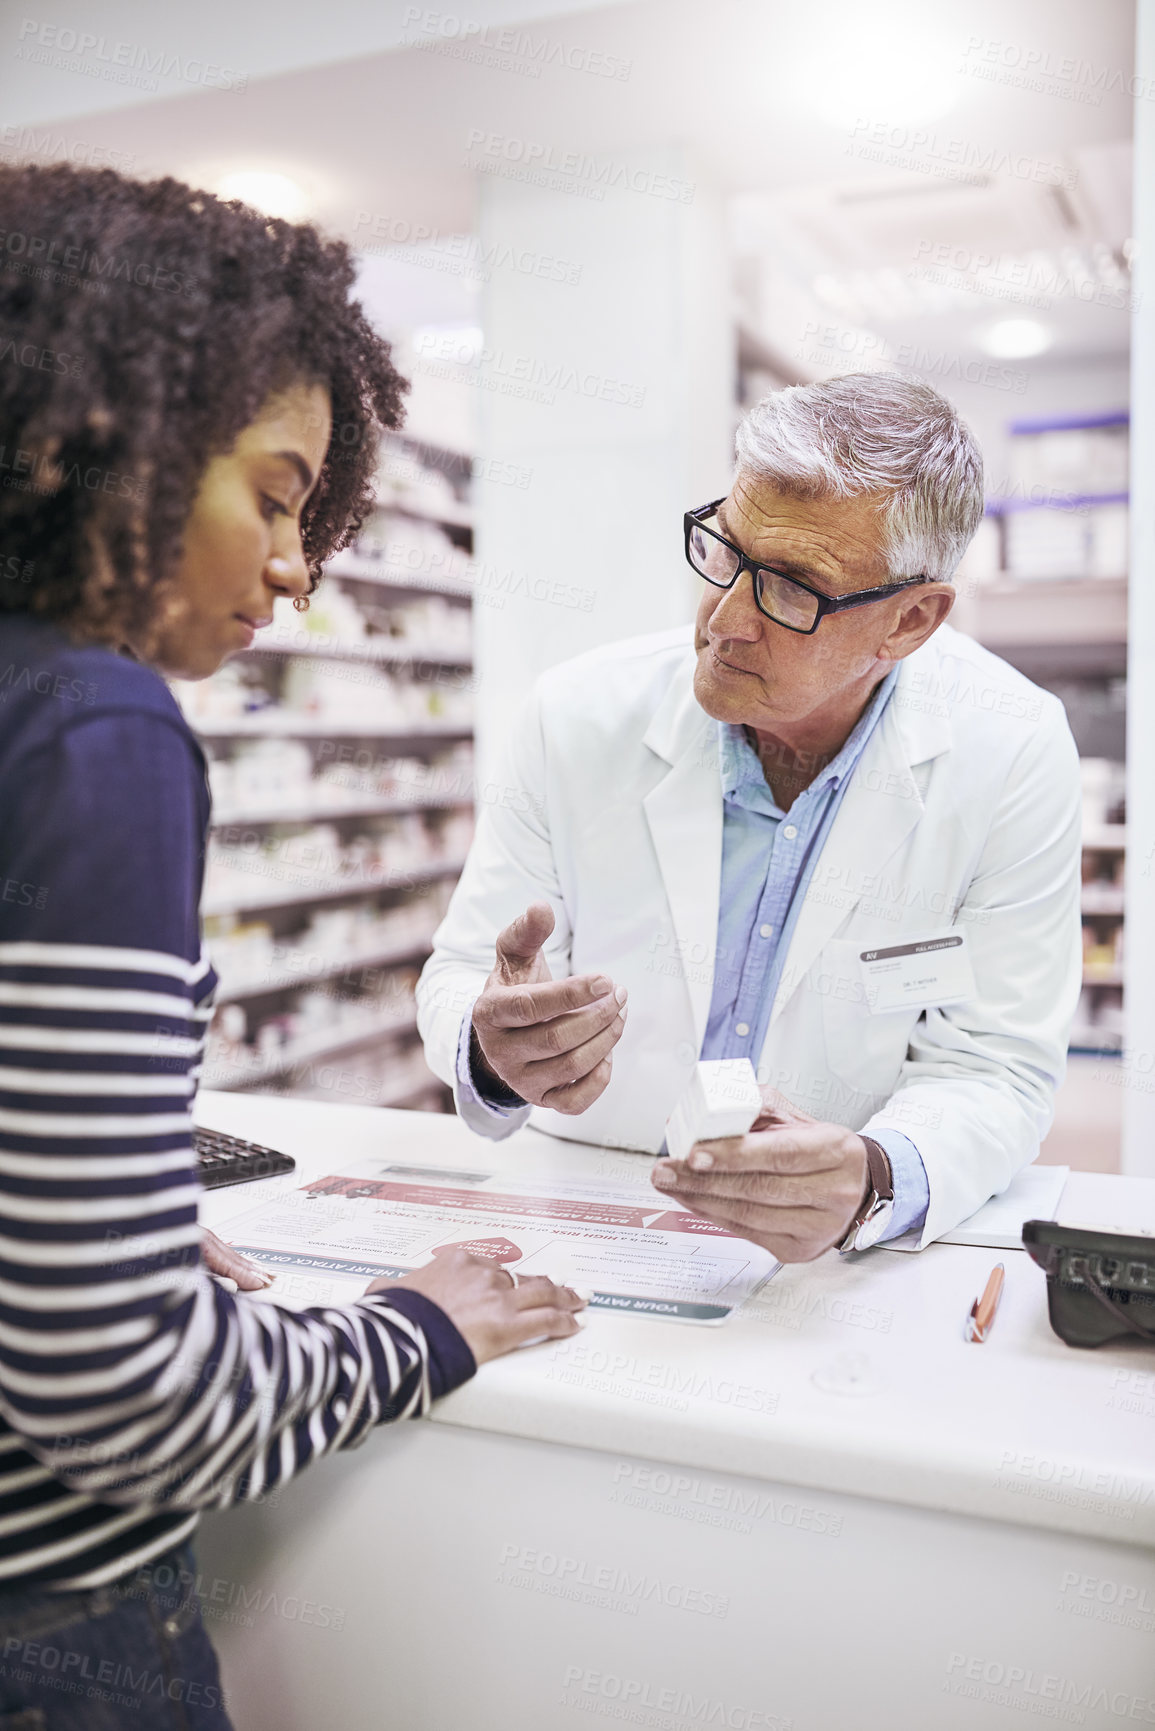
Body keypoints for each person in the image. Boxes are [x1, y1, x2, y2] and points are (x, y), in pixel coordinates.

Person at [0, 162, 584, 1729]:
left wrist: (79, 1227)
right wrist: (422, 1326)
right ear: (77, 433)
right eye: (270, 491)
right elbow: (129, 1406)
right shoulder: (93, 730)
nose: (297, 565)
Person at [417, 374, 1082, 1263]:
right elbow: (465, 969)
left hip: (826, 1257)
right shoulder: (576, 713)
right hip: (585, 1203)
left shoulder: (1010, 747)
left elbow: (996, 1063)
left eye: (793, 588)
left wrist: (874, 1176)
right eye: (726, 553)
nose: (723, 619)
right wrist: (495, 1047)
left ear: (910, 619)